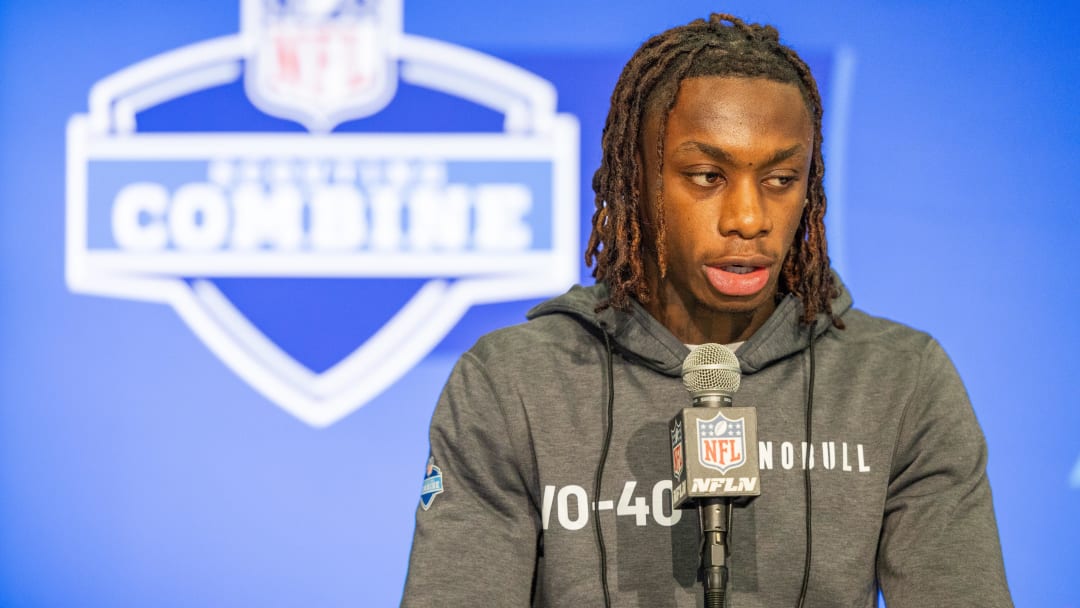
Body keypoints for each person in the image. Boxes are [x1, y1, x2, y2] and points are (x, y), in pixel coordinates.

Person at [402, 13, 1012, 607]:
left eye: (780, 179)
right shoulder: (514, 383)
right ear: (635, 181)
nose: (748, 219)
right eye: (706, 175)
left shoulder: (900, 382)